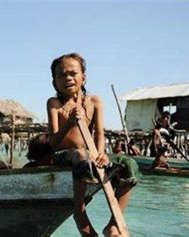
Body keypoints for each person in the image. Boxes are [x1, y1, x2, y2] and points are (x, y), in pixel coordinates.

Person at [47, 53, 138, 237]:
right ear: (54, 82)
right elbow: (53, 143)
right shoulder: (54, 104)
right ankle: (79, 214)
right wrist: (70, 123)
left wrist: (101, 154)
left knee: (129, 164)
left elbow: (99, 134)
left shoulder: (94, 102)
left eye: (73, 73)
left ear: (83, 77)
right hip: (66, 155)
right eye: (61, 75)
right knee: (81, 155)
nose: (68, 78)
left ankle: (113, 224)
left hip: (91, 154)